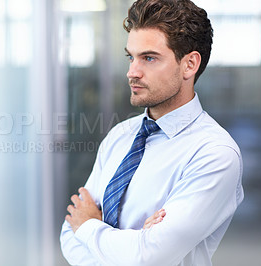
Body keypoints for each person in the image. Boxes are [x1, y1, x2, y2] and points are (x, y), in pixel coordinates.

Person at [60, 0, 244, 265]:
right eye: (130, 57)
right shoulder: (120, 135)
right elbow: (69, 233)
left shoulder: (214, 154)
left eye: (149, 58)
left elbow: (148, 257)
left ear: (189, 64)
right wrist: (132, 244)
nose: (131, 72)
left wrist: (88, 226)